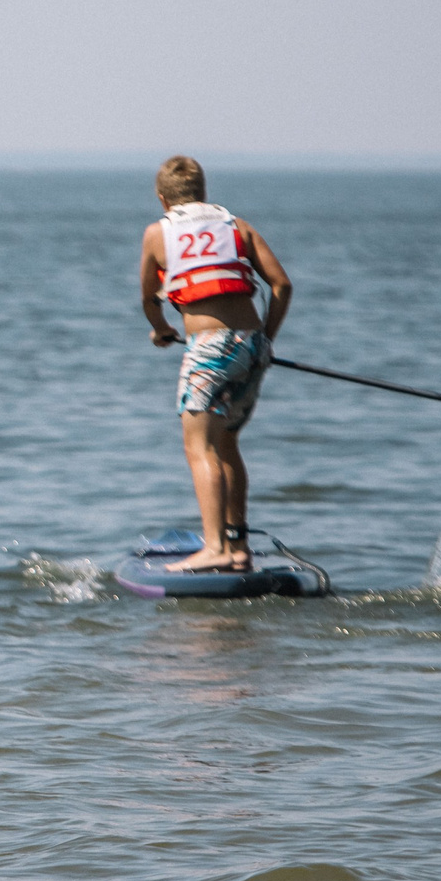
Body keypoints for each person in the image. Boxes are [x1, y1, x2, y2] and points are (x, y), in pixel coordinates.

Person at [140, 155, 293, 574]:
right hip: (251, 347)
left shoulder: (159, 233)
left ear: (162, 198)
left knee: (199, 447)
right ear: (203, 193)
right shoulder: (237, 227)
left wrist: (160, 330)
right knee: (226, 444)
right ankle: (237, 545)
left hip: (208, 349)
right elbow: (281, 284)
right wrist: (266, 339)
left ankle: (214, 548)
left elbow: (150, 299)